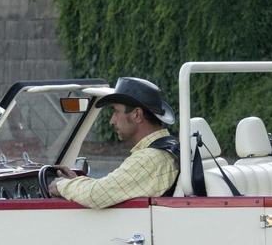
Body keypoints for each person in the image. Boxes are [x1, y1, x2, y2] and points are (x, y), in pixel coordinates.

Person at [49, 76, 179, 208]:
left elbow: (96, 195)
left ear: (137, 115)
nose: (112, 121)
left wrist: (60, 185)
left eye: (116, 112)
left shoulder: (150, 159)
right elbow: (111, 189)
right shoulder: (166, 149)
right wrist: (77, 182)